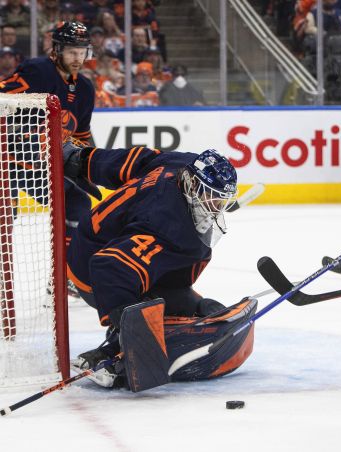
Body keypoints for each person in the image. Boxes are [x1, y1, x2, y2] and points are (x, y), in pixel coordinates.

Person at [63, 144, 253, 388]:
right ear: (193, 185)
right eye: (211, 197)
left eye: (221, 200)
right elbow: (109, 267)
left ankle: (171, 309)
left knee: (186, 295)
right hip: (90, 271)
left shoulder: (182, 164)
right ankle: (113, 354)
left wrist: (83, 159)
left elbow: (133, 160)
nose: (216, 206)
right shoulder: (164, 222)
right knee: (156, 280)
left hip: (104, 238)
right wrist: (130, 335)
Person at [0, 21, 97, 299]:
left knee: (78, 202)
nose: (78, 58)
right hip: (7, 161)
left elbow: (81, 135)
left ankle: (66, 275)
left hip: (39, 167)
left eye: (82, 51)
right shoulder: (38, 72)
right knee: (7, 214)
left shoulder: (86, 90)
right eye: (71, 51)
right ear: (56, 50)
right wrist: (20, 131)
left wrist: (91, 166)